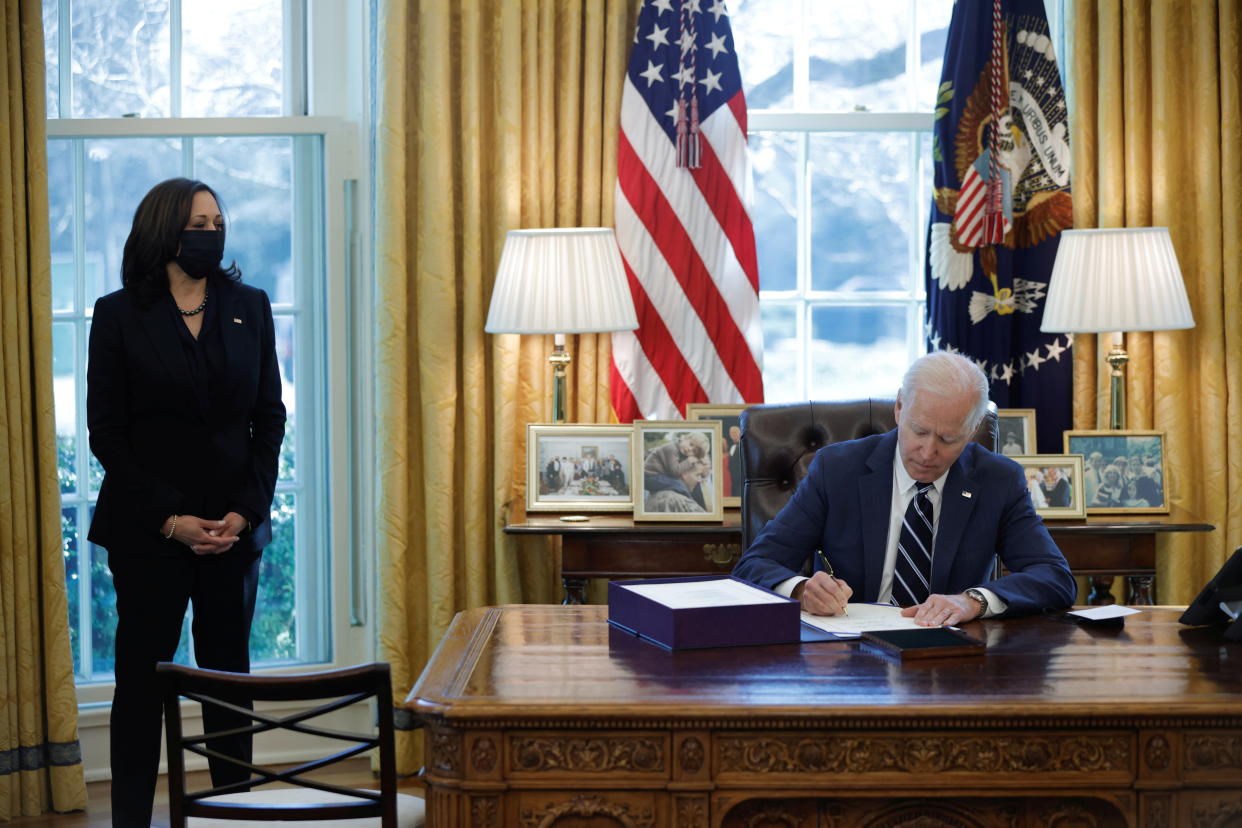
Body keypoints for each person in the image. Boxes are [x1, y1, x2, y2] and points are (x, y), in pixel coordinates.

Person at [87, 178, 286, 828]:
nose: (212, 230)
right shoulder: (117, 315)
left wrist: (246, 512)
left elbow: (268, 419)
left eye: (217, 220)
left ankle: (234, 816)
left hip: (231, 534)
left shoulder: (250, 306)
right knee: (141, 686)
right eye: (198, 221)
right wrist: (171, 518)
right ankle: (130, 820)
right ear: (165, 230)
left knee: (229, 684)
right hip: (149, 534)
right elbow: (107, 434)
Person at [733, 352, 1075, 627]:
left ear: (972, 430)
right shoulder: (837, 470)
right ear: (899, 409)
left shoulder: (999, 481)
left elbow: (1054, 577)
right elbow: (756, 563)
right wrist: (801, 589)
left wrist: (973, 601)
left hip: (951, 657)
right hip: (853, 653)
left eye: (947, 439)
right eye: (919, 431)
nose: (928, 453)